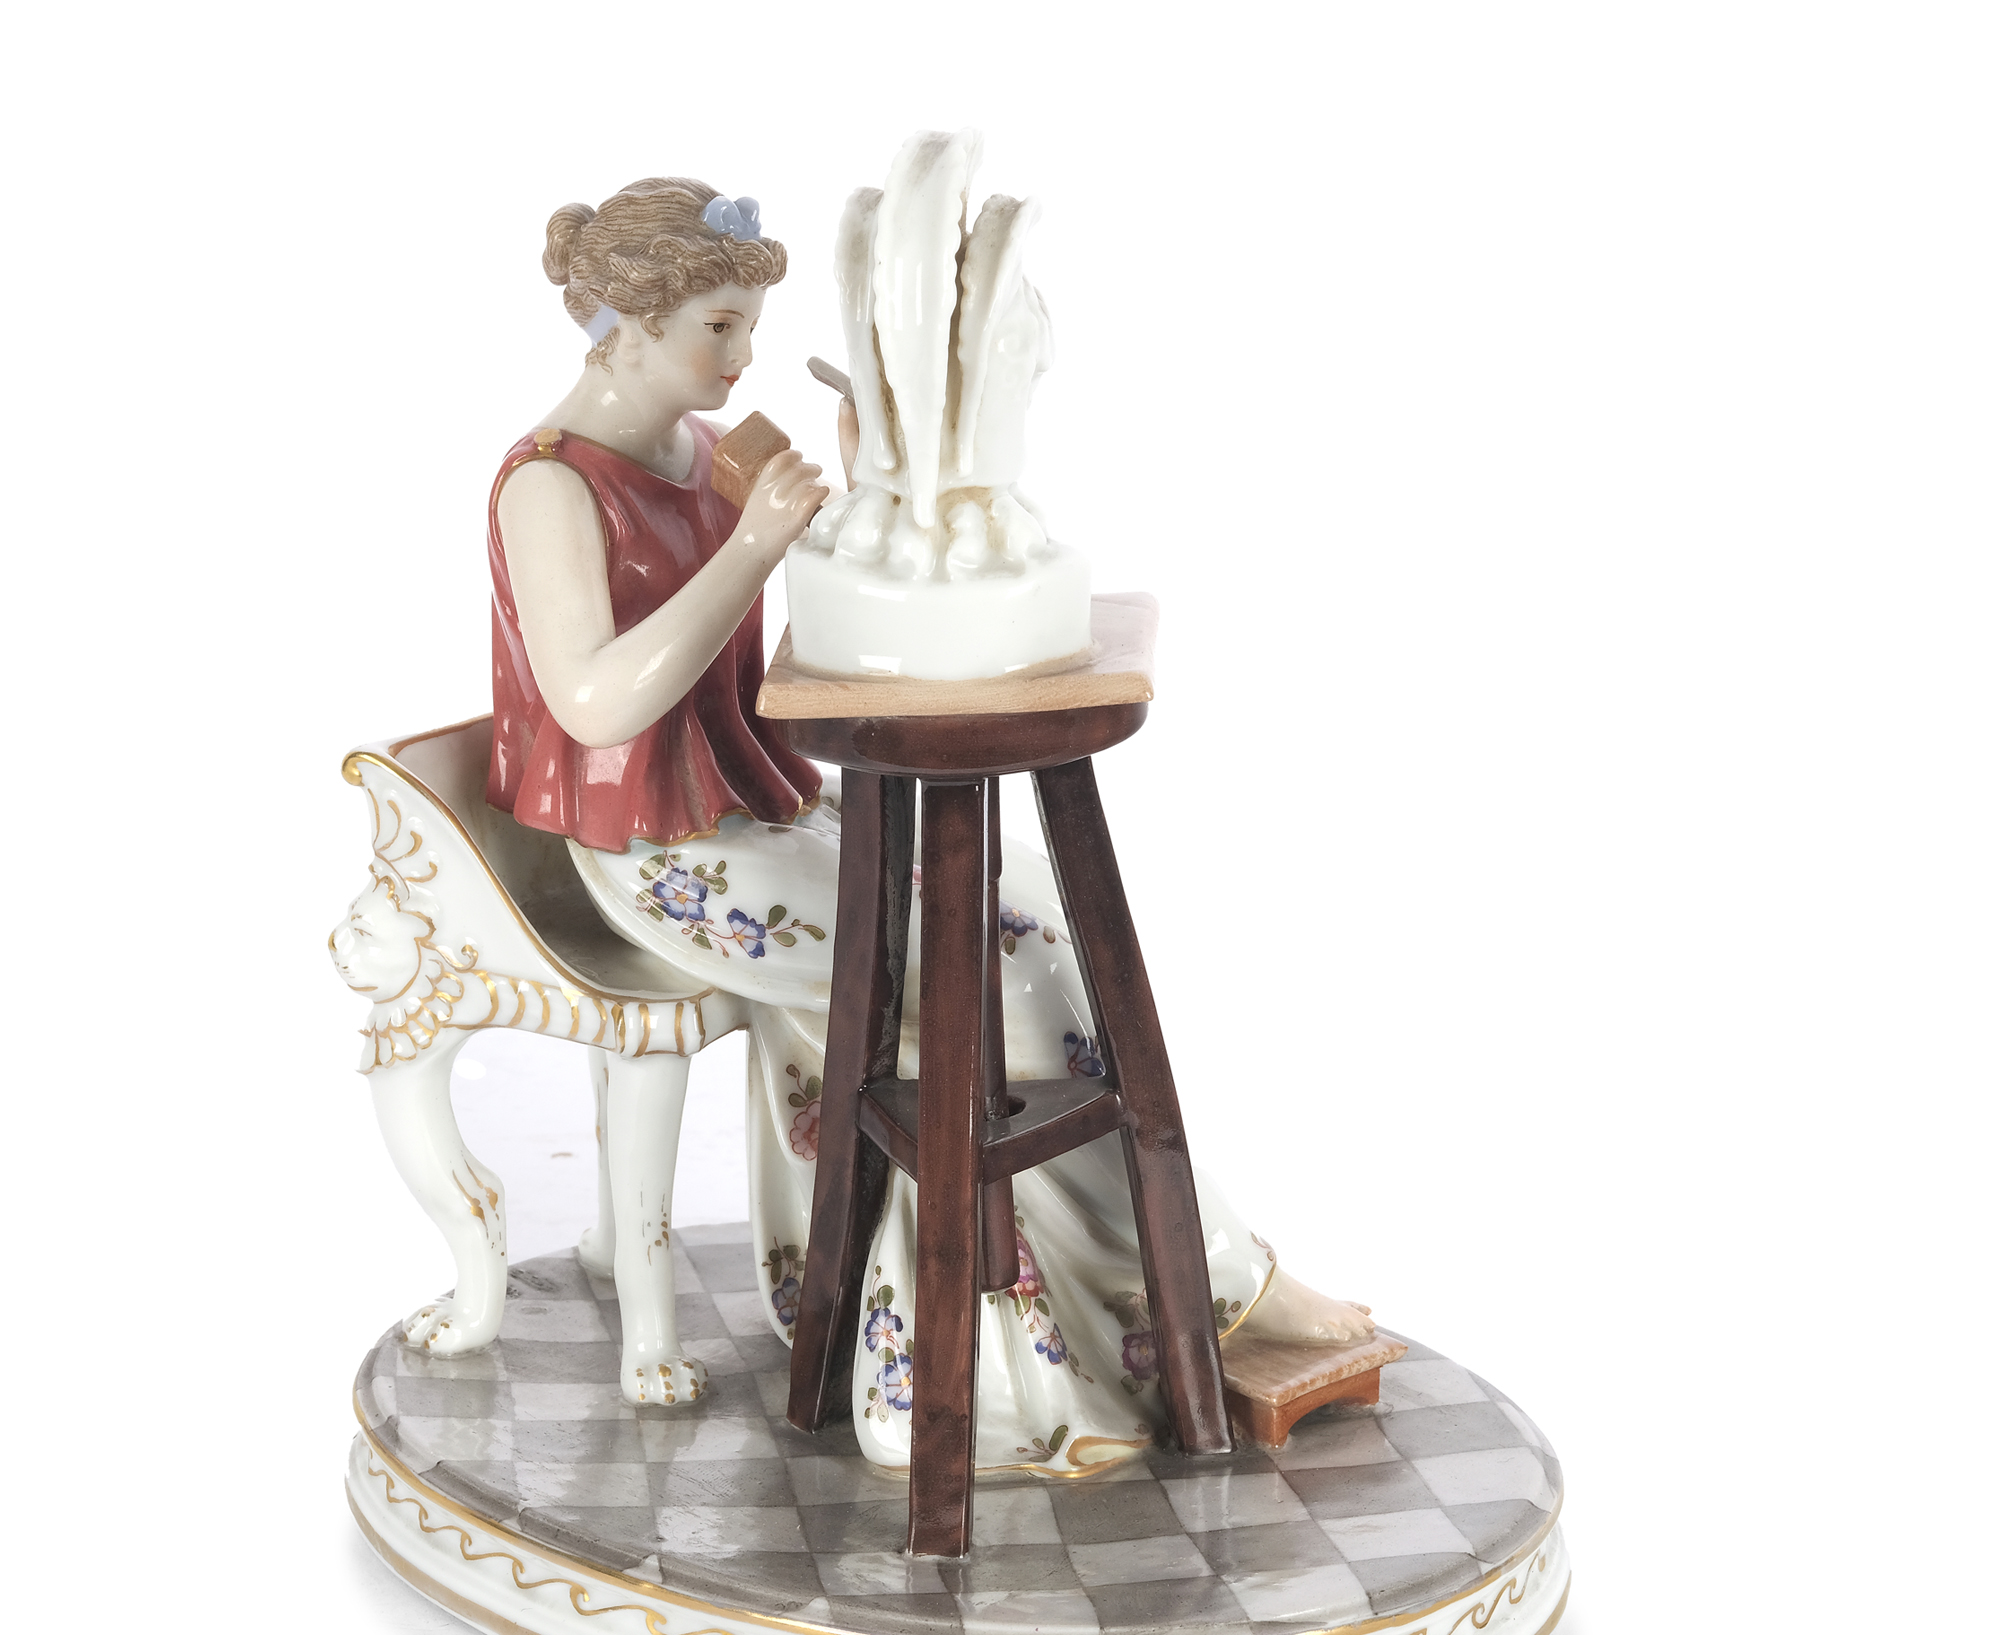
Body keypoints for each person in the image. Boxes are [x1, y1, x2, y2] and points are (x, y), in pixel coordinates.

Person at [491, 177, 1373, 1477]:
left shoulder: (701, 449)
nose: (742, 357)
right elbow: (595, 701)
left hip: (761, 797)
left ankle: (1145, 1290)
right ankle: (1197, 1287)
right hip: (662, 853)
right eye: (719, 328)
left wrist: (861, 488)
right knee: (972, 980)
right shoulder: (550, 488)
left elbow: (815, 608)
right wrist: (752, 545)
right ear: (623, 326)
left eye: (748, 328)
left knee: (1034, 923)